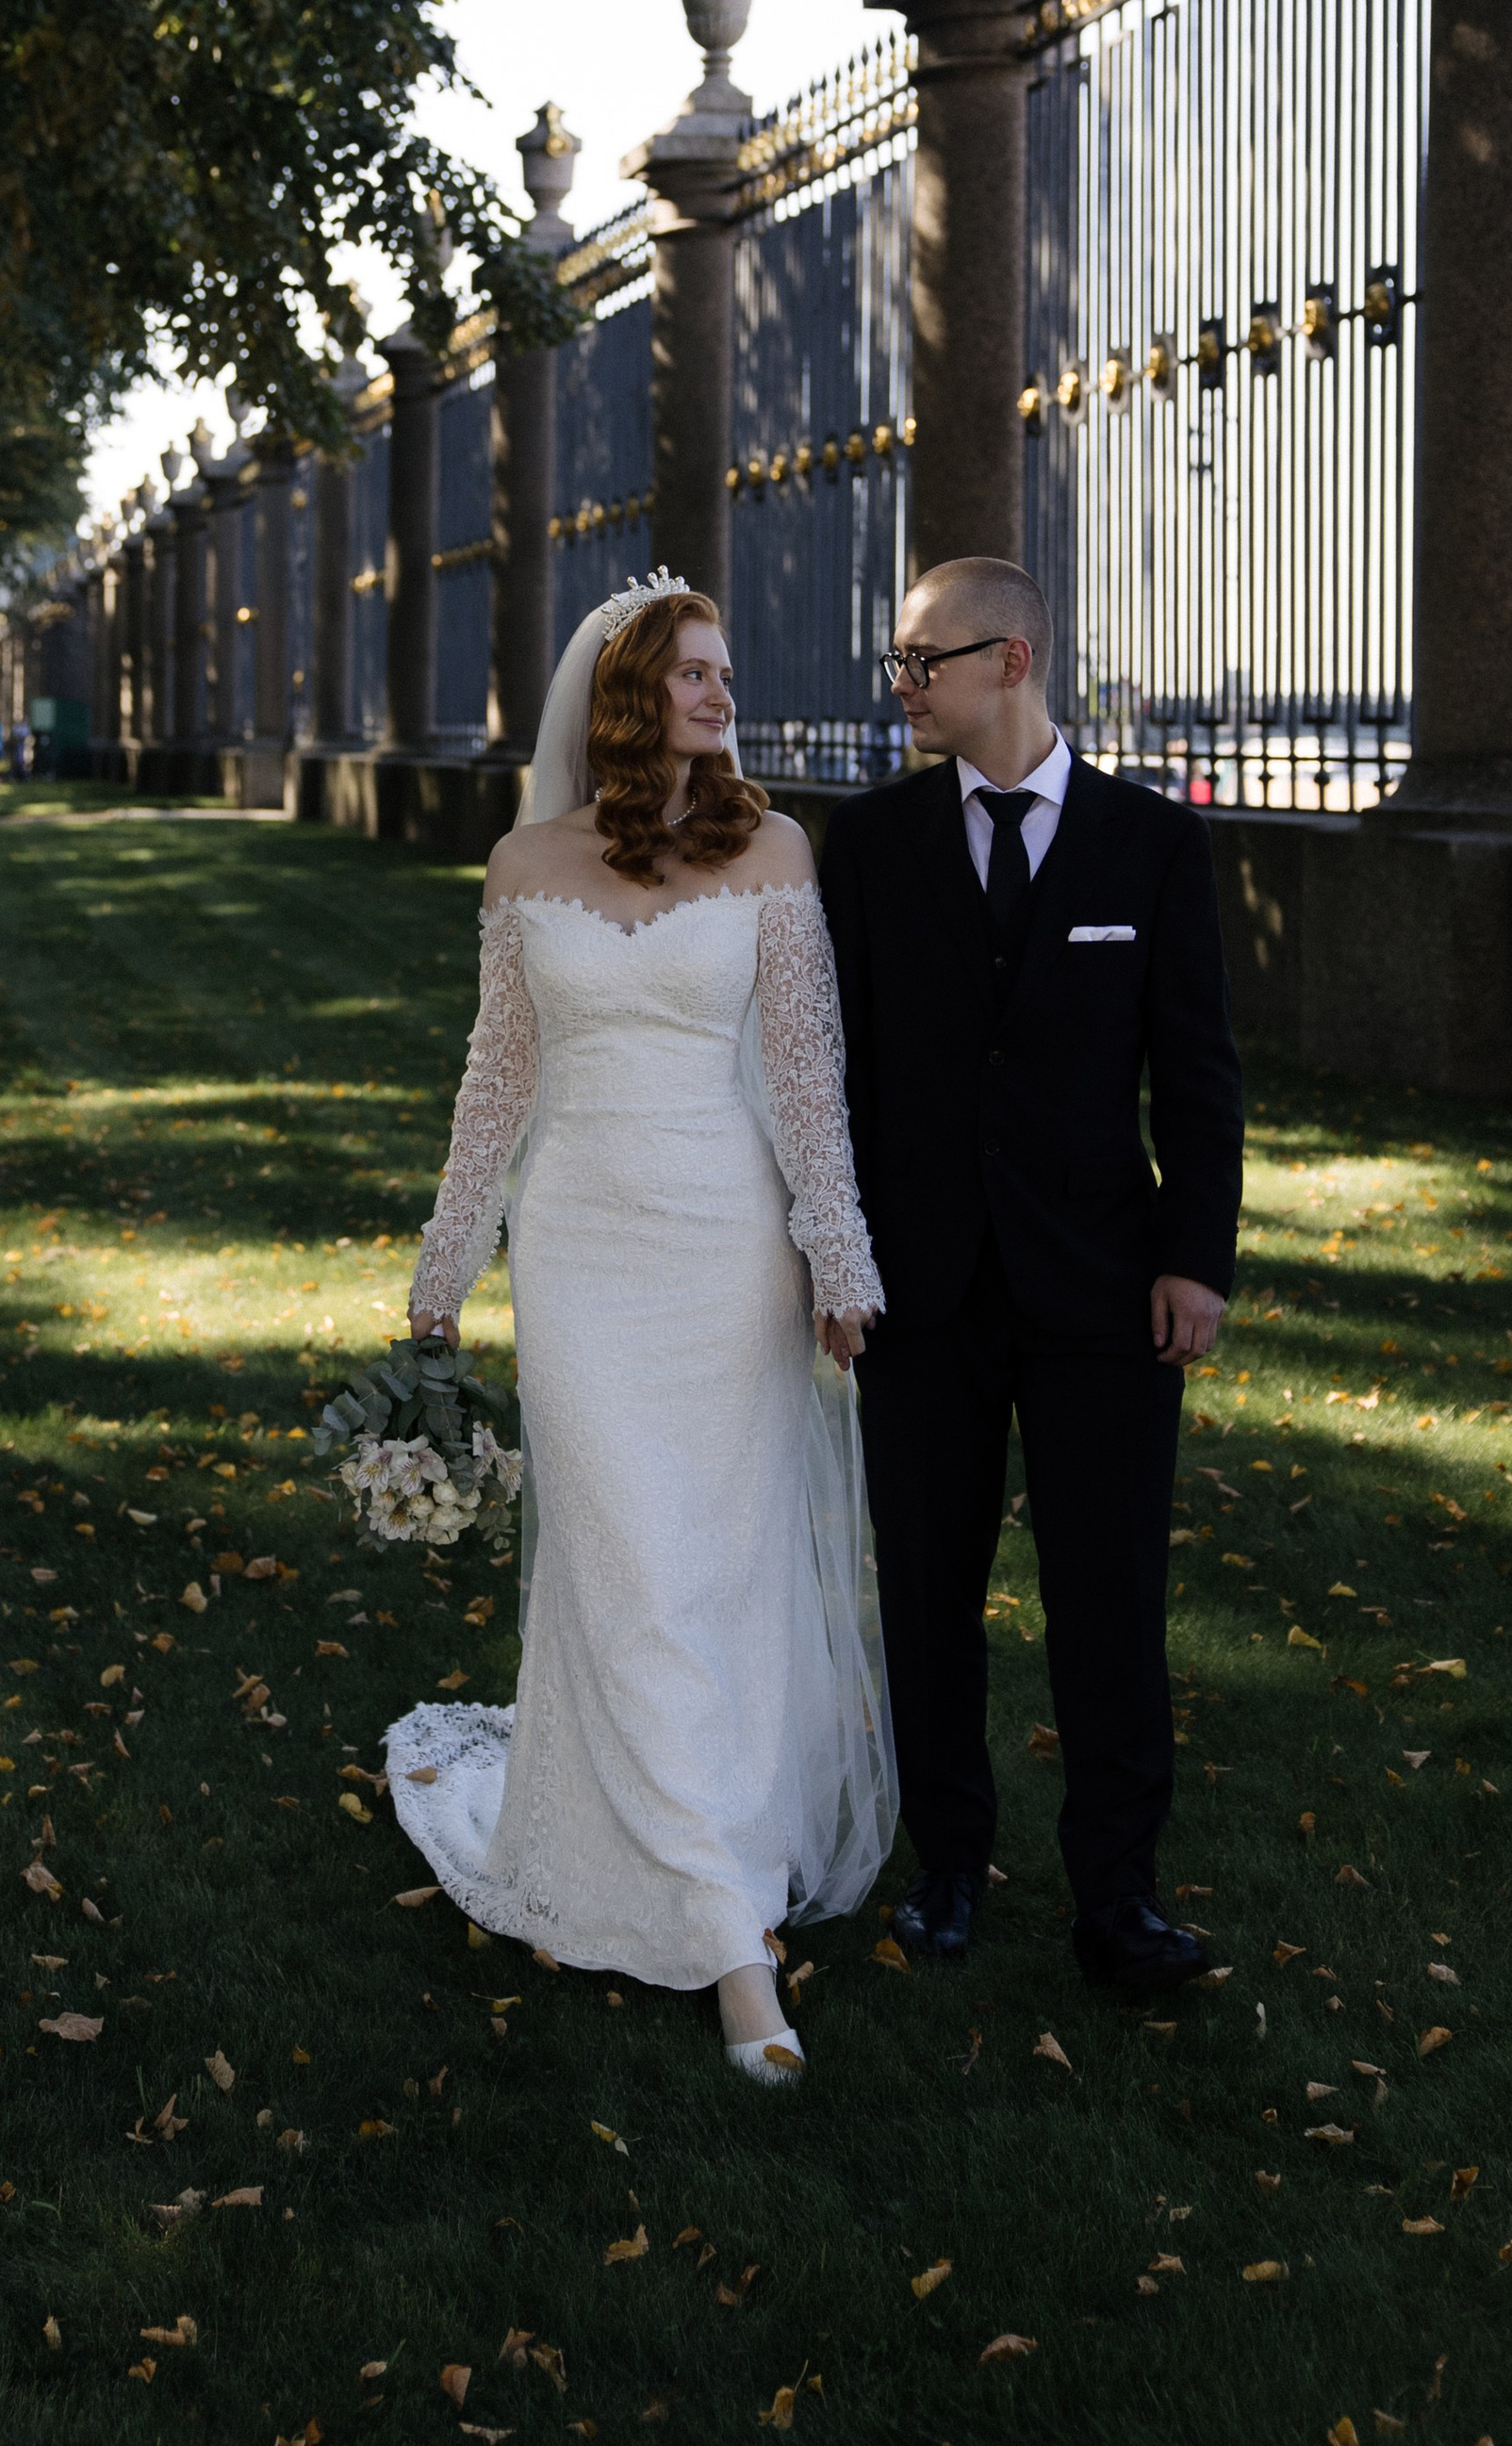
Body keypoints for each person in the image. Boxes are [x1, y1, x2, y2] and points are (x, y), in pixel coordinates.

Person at [386, 576, 896, 2080]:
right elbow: (497, 1077)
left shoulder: (773, 851)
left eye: (726, 673)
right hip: (581, 1257)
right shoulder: (522, 867)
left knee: (712, 1573)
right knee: (626, 1564)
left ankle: (695, 1860)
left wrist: (839, 1257)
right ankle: (734, 1948)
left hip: (726, 1255)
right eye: (695, 674)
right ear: (626, 697)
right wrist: (445, 1260)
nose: (723, 694)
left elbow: (805, 1077)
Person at [818, 554, 1242, 1999]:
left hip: (1105, 1289)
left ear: (1012, 660)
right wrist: (840, 1256)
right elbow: (837, 1075)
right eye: (898, 661)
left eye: (922, 660)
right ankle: (947, 1866)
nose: (902, 685)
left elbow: (1199, 1075)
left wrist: (1195, 1258)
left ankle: (1119, 1895)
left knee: (1110, 1599)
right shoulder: (869, 845)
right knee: (927, 1595)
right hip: (920, 1292)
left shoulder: (1153, 843)